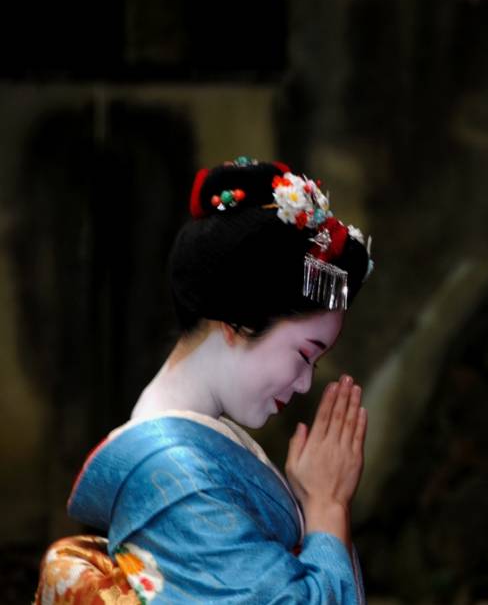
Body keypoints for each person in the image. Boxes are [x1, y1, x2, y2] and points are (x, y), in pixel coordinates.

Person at [35, 157, 374, 604]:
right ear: (234, 321)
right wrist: (327, 505)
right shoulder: (175, 477)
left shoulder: (195, 454)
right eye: (304, 354)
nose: (305, 383)